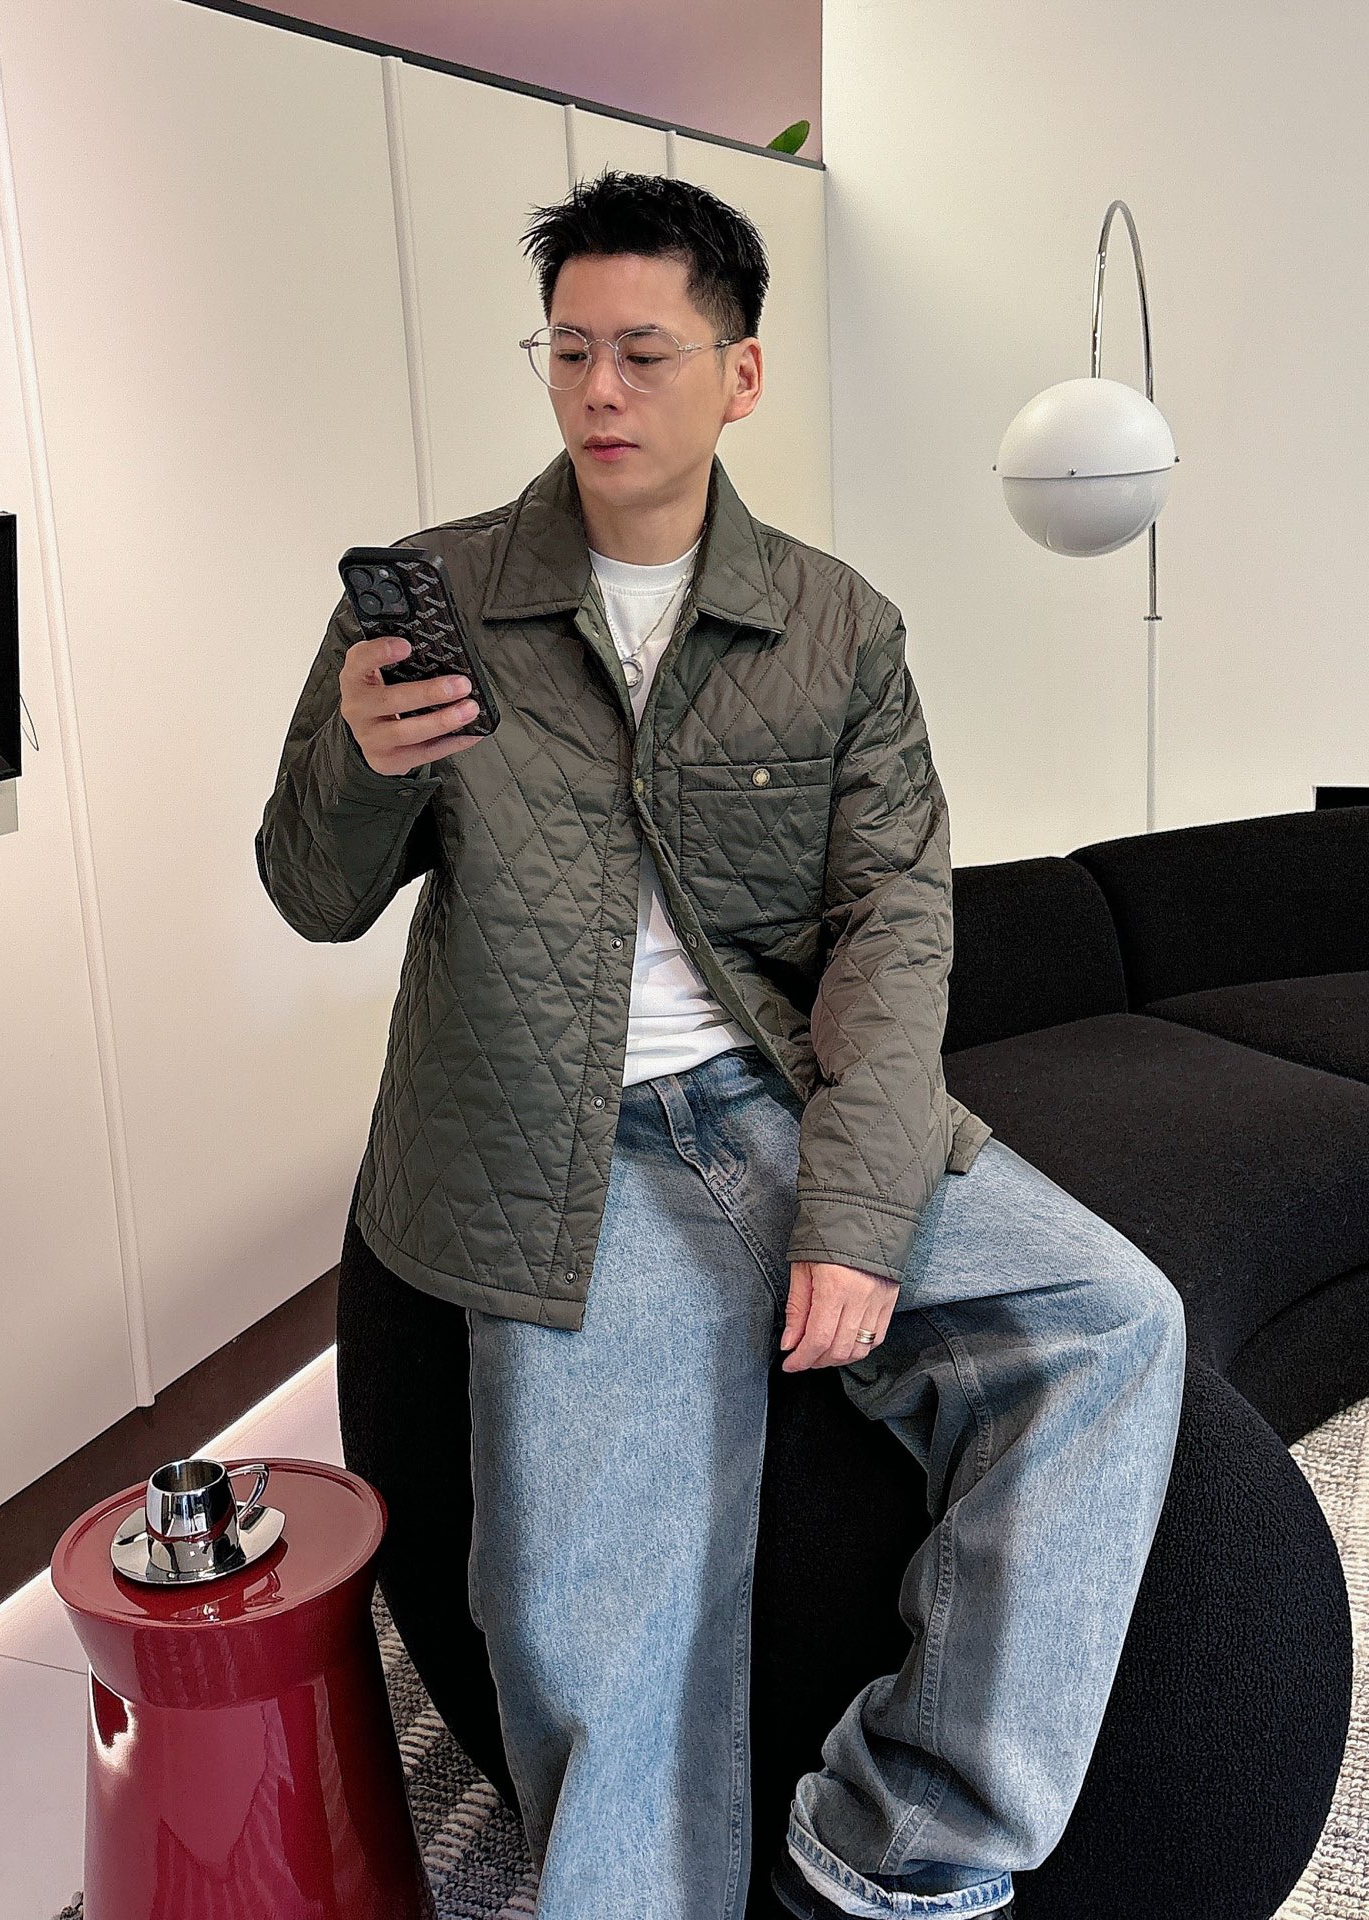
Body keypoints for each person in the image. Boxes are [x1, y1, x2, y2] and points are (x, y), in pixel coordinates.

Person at [256, 169, 1186, 1920]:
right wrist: (358, 766)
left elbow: (896, 929)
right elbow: (310, 894)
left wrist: (858, 1209)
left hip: (775, 1096)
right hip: (555, 1148)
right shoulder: (433, 596)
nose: (599, 391)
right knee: (592, 1622)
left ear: (740, 375)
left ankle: (900, 1847)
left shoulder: (834, 625)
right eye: (569, 352)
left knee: (1114, 1322)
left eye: (645, 353)